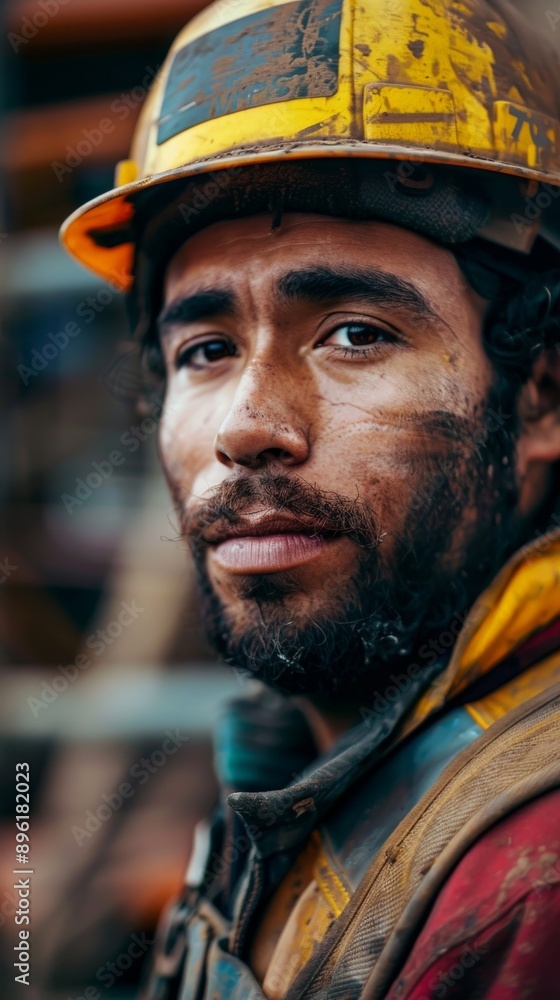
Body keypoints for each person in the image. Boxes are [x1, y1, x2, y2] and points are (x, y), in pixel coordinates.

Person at [60, 0, 560, 995]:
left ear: (540, 394)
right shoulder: (293, 756)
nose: (248, 427)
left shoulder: (521, 891)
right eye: (203, 350)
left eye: (355, 333)